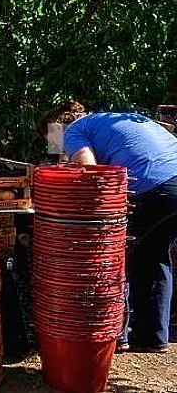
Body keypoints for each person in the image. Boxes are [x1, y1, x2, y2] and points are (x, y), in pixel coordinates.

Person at [38, 102, 177, 352]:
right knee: (155, 255)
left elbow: (92, 176)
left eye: (51, 139)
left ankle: (116, 335)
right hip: (172, 182)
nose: (54, 147)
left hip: (153, 188)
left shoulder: (73, 130)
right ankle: (153, 338)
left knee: (113, 255)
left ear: (55, 128)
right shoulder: (120, 117)